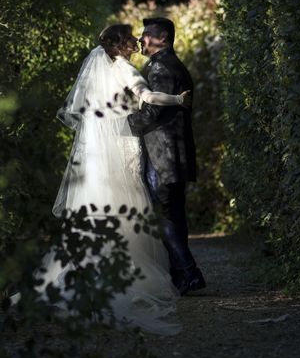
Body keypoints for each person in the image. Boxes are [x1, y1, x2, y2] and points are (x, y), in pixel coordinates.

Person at [34, 24, 191, 334]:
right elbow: (148, 96)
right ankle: (126, 272)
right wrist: (178, 100)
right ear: (121, 45)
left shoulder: (96, 68)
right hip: (121, 148)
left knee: (99, 202)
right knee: (127, 202)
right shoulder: (124, 69)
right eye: (131, 37)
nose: (136, 40)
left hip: (97, 155)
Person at [127, 17, 206, 295]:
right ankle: (180, 276)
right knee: (174, 215)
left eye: (147, 34)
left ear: (162, 39)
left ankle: (189, 272)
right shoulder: (175, 65)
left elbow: (152, 113)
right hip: (176, 153)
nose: (141, 39)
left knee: (164, 216)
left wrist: (118, 125)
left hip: (163, 155)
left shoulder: (160, 68)